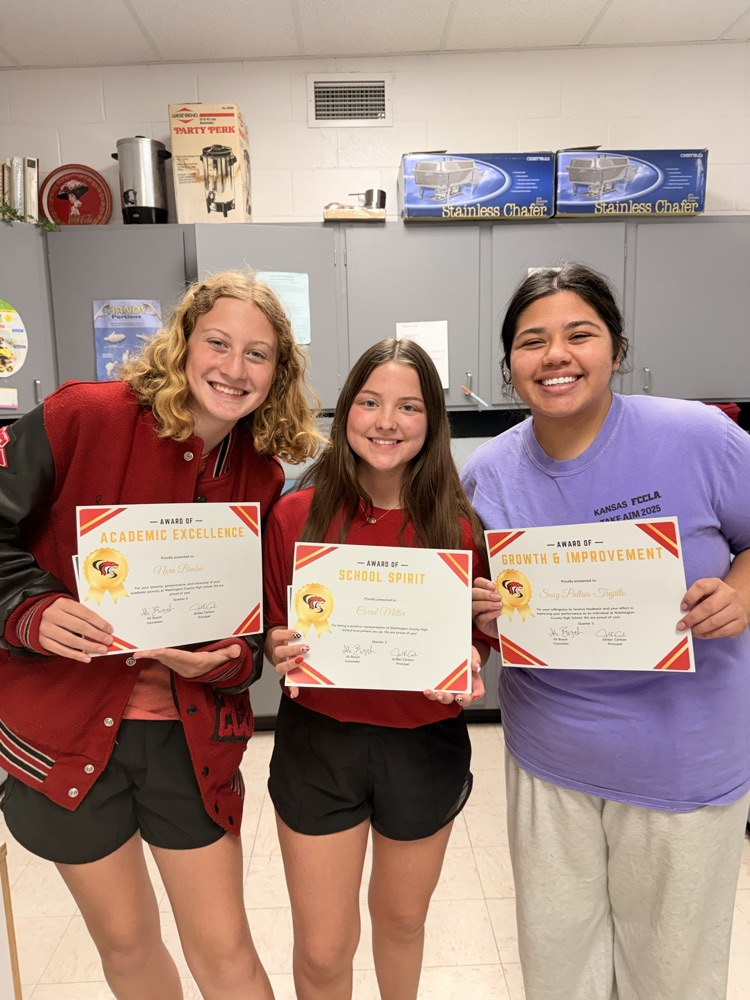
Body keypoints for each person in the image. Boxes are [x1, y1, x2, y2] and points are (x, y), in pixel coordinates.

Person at [0, 270, 321, 1000]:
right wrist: (32, 611)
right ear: (182, 343)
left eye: (257, 355)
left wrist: (223, 659)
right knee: (126, 944)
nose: (233, 369)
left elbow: (250, 638)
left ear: (278, 374)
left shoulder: (262, 476)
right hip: (68, 735)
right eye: (218, 342)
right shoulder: (82, 417)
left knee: (225, 951)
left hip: (186, 740)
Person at [462, 262, 750, 1000]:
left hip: (683, 764)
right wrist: (480, 610)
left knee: (674, 973)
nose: (555, 355)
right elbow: (476, 600)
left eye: (578, 334)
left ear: (616, 349)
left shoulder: (696, 435)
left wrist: (742, 592)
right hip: (550, 761)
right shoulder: (489, 472)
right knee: (560, 970)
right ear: (510, 366)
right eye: (532, 341)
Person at [263, 338, 488, 1000]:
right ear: (346, 410)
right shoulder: (293, 518)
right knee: (325, 948)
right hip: (319, 743)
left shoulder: (459, 525)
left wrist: (472, 657)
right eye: (370, 402)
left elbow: (480, 636)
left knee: (401, 923)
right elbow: (271, 630)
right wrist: (275, 647)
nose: (387, 422)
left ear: (433, 420)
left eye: (409, 407)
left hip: (423, 744)